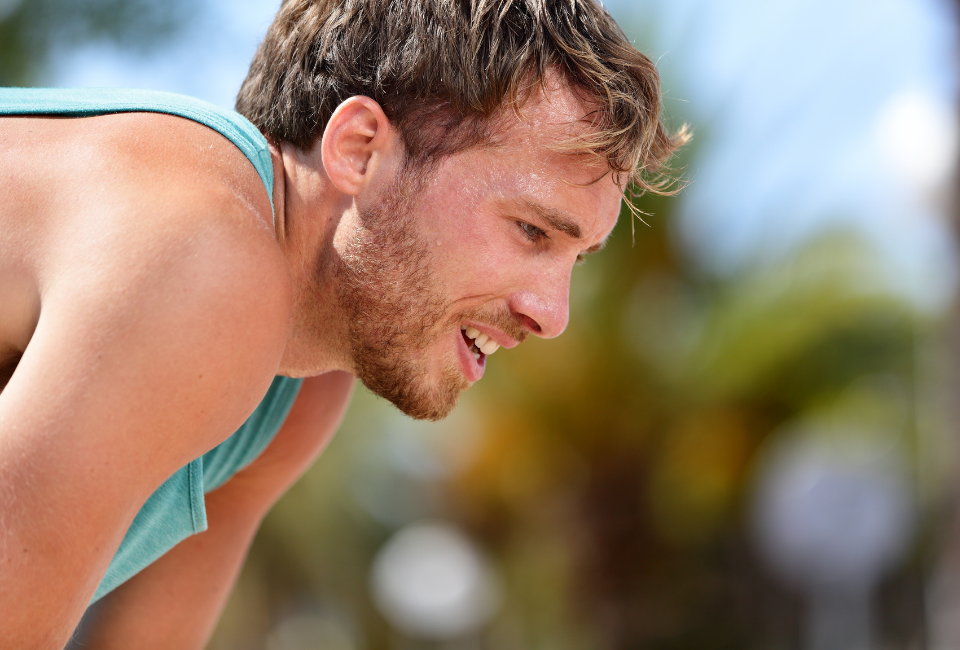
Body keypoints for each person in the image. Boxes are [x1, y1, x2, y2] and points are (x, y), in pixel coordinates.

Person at [0, 0, 685, 647]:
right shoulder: (202, 254)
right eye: (532, 230)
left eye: (577, 260)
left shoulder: (299, 389)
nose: (553, 315)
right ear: (360, 152)